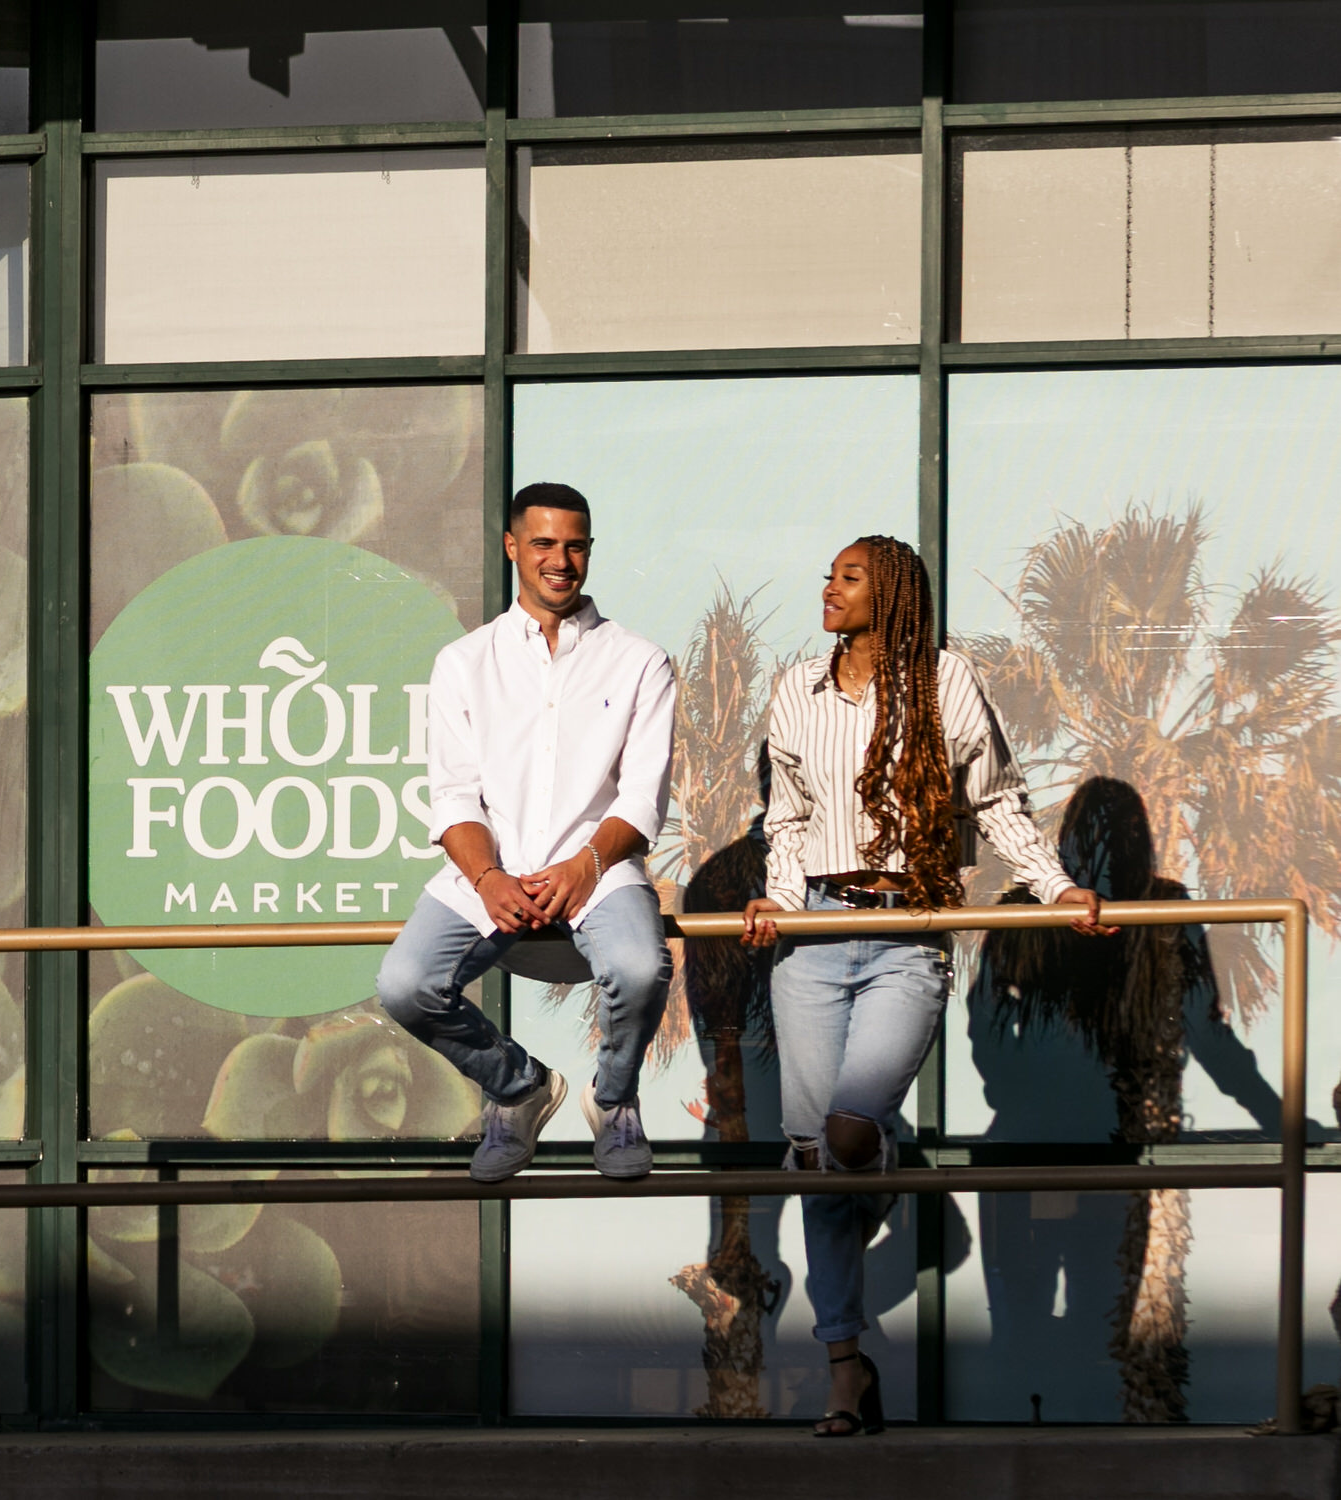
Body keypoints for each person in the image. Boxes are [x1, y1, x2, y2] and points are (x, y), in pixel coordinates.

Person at [741, 533, 1109, 1438]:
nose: (828, 587)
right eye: (827, 573)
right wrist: (781, 901)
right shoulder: (797, 690)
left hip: (908, 935)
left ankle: (880, 1163)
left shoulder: (945, 684)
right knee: (813, 1158)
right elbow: (786, 818)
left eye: (849, 576)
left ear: (893, 593)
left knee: (849, 1137)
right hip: (816, 935)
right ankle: (843, 1368)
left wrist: (1057, 886)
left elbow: (993, 803)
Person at [378, 482, 677, 1188]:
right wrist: (489, 878)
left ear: (590, 552)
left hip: (598, 872)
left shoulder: (639, 660)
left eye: (575, 545)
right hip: (489, 875)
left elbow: (643, 795)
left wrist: (585, 865)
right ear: (513, 546)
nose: (560, 560)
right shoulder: (463, 662)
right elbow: (452, 795)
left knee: (640, 968)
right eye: (543, 543)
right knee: (405, 983)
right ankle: (519, 1090)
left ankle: (613, 1101)